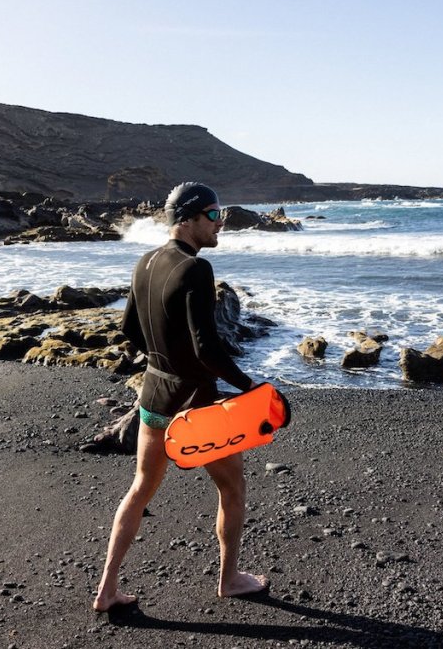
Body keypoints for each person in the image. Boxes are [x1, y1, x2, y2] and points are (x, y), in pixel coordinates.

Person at [92, 182, 269, 612]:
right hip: (196, 405)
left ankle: (107, 590)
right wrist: (250, 387)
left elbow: (130, 330)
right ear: (187, 219)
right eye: (212, 214)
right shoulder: (196, 269)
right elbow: (207, 349)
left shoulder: (145, 262)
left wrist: (163, 359)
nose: (220, 222)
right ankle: (230, 580)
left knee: (141, 487)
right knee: (233, 488)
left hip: (154, 397)